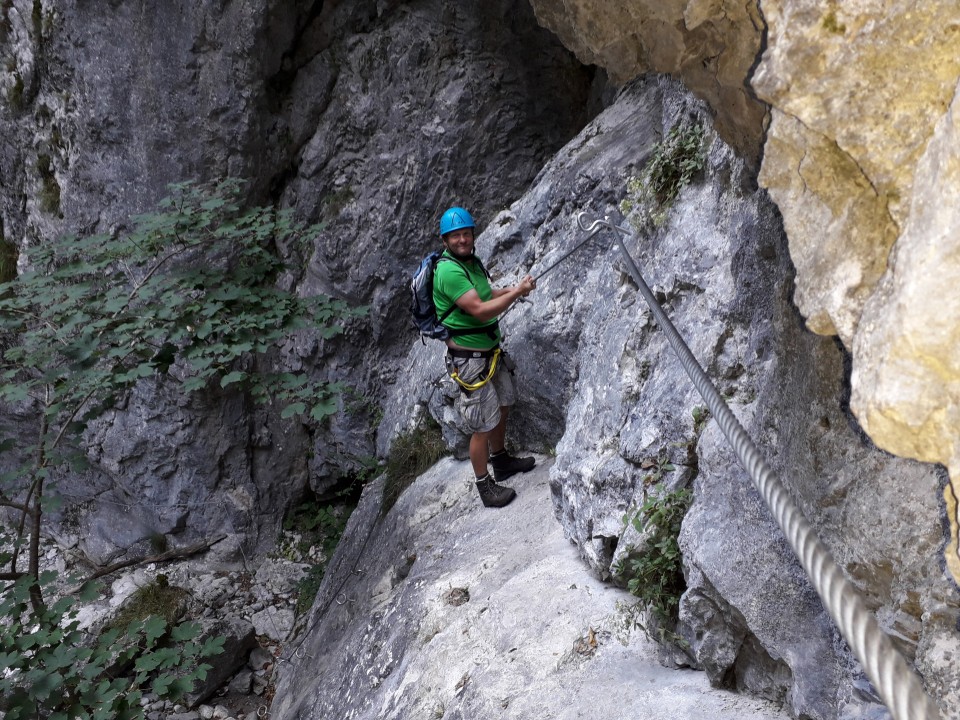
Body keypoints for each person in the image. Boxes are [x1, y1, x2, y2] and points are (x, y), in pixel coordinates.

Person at [433, 206, 538, 508]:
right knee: (481, 423)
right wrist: (517, 293)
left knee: (503, 405)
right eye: (456, 236)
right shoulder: (449, 271)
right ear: (445, 241)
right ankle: (484, 486)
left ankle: (501, 460)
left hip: (488, 351)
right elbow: (479, 310)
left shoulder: (470, 262)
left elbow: (485, 293)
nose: (463, 239)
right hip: (469, 359)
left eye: (466, 233)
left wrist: (512, 289)